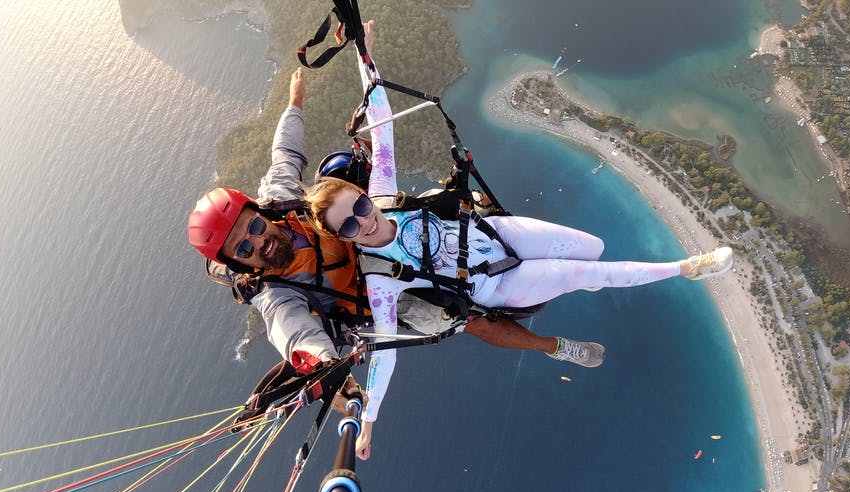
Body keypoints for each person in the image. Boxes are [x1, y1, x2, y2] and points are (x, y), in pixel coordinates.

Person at [305, 22, 734, 458]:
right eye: (350, 227)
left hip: (493, 233)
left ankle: (577, 280)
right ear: (343, 238)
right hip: (492, 284)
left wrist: (365, 56)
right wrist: (369, 424)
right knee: (586, 270)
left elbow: (383, 130)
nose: (365, 221)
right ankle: (689, 268)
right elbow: (386, 355)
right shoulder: (380, 281)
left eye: (359, 207)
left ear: (363, 194)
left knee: (594, 248)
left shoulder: (382, 197)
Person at [187, 36, 602, 411]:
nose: (259, 243)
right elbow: (294, 335)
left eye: (254, 228)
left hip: (370, 230)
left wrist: (295, 100)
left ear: (259, 213)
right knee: (463, 317)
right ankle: (554, 347)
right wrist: (327, 368)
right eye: (244, 249)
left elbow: (286, 151)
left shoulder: (277, 199)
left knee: (436, 207)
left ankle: (502, 235)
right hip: (375, 289)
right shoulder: (275, 294)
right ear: (242, 266)